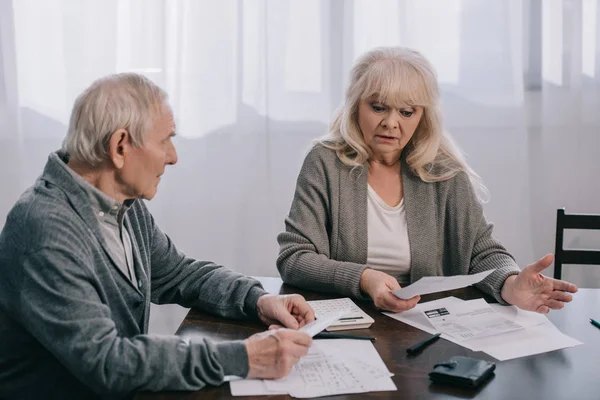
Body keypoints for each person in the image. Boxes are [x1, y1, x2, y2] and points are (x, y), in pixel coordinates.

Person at [0, 73, 314, 400]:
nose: (173, 156)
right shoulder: (45, 230)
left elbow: (176, 273)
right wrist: (245, 357)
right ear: (120, 146)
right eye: (165, 140)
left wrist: (258, 300)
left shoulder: (121, 203)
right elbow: (108, 362)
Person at [277, 46, 577, 314]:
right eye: (378, 107)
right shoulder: (324, 162)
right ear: (356, 105)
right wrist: (365, 279)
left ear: (422, 115)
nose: (391, 123)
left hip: (427, 323)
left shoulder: (444, 170)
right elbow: (295, 257)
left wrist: (510, 284)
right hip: (351, 321)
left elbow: (482, 252)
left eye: (406, 111)